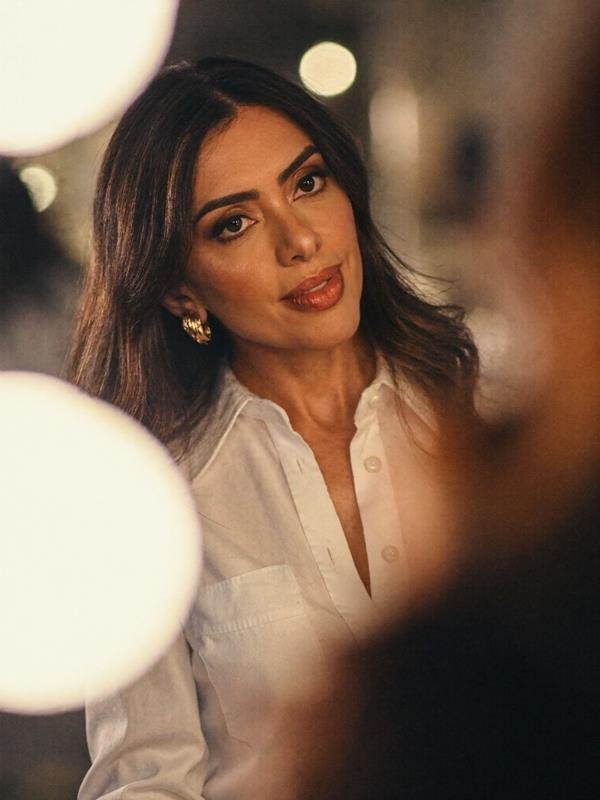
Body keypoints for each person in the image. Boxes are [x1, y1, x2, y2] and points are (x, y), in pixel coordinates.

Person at [69, 57, 477, 798]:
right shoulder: (154, 503)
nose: (301, 242)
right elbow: (144, 780)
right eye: (234, 224)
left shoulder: (481, 413)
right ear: (179, 291)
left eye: (307, 183)